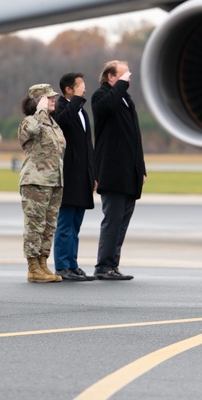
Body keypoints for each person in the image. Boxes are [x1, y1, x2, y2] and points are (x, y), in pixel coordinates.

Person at [91, 60, 145, 280]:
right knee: (112, 220)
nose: (128, 79)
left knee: (122, 221)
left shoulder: (125, 99)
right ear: (111, 77)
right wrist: (120, 86)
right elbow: (107, 106)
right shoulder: (100, 97)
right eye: (124, 76)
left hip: (128, 172)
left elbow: (135, 137)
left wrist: (140, 168)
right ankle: (103, 266)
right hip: (112, 171)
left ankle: (113, 264)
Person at [18, 84, 67, 284]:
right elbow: (31, 131)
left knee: (49, 225)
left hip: (54, 181)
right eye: (48, 98)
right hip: (35, 181)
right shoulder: (29, 121)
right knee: (34, 225)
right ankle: (32, 267)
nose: (53, 100)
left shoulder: (53, 124)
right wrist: (39, 111)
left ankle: (42, 264)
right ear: (38, 101)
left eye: (53, 98)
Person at [52, 72, 96, 281]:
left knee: (76, 224)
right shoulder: (61, 108)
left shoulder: (81, 111)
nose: (84, 89)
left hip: (82, 175)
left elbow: (88, 146)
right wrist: (76, 101)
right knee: (65, 223)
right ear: (69, 89)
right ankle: (62, 266)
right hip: (67, 176)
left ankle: (73, 264)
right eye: (80, 86)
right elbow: (62, 122)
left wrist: (93, 173)